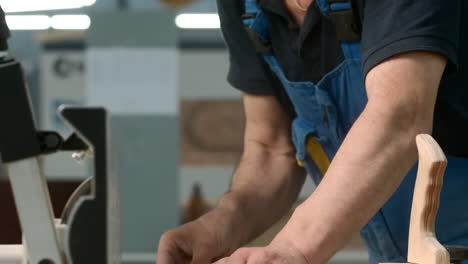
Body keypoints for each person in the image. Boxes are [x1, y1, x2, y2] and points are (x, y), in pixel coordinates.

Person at [158, 0, 468, 263]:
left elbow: (400, 115)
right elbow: (271, 147)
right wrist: (222, 225)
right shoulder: (244, 7)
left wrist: (293, 247)